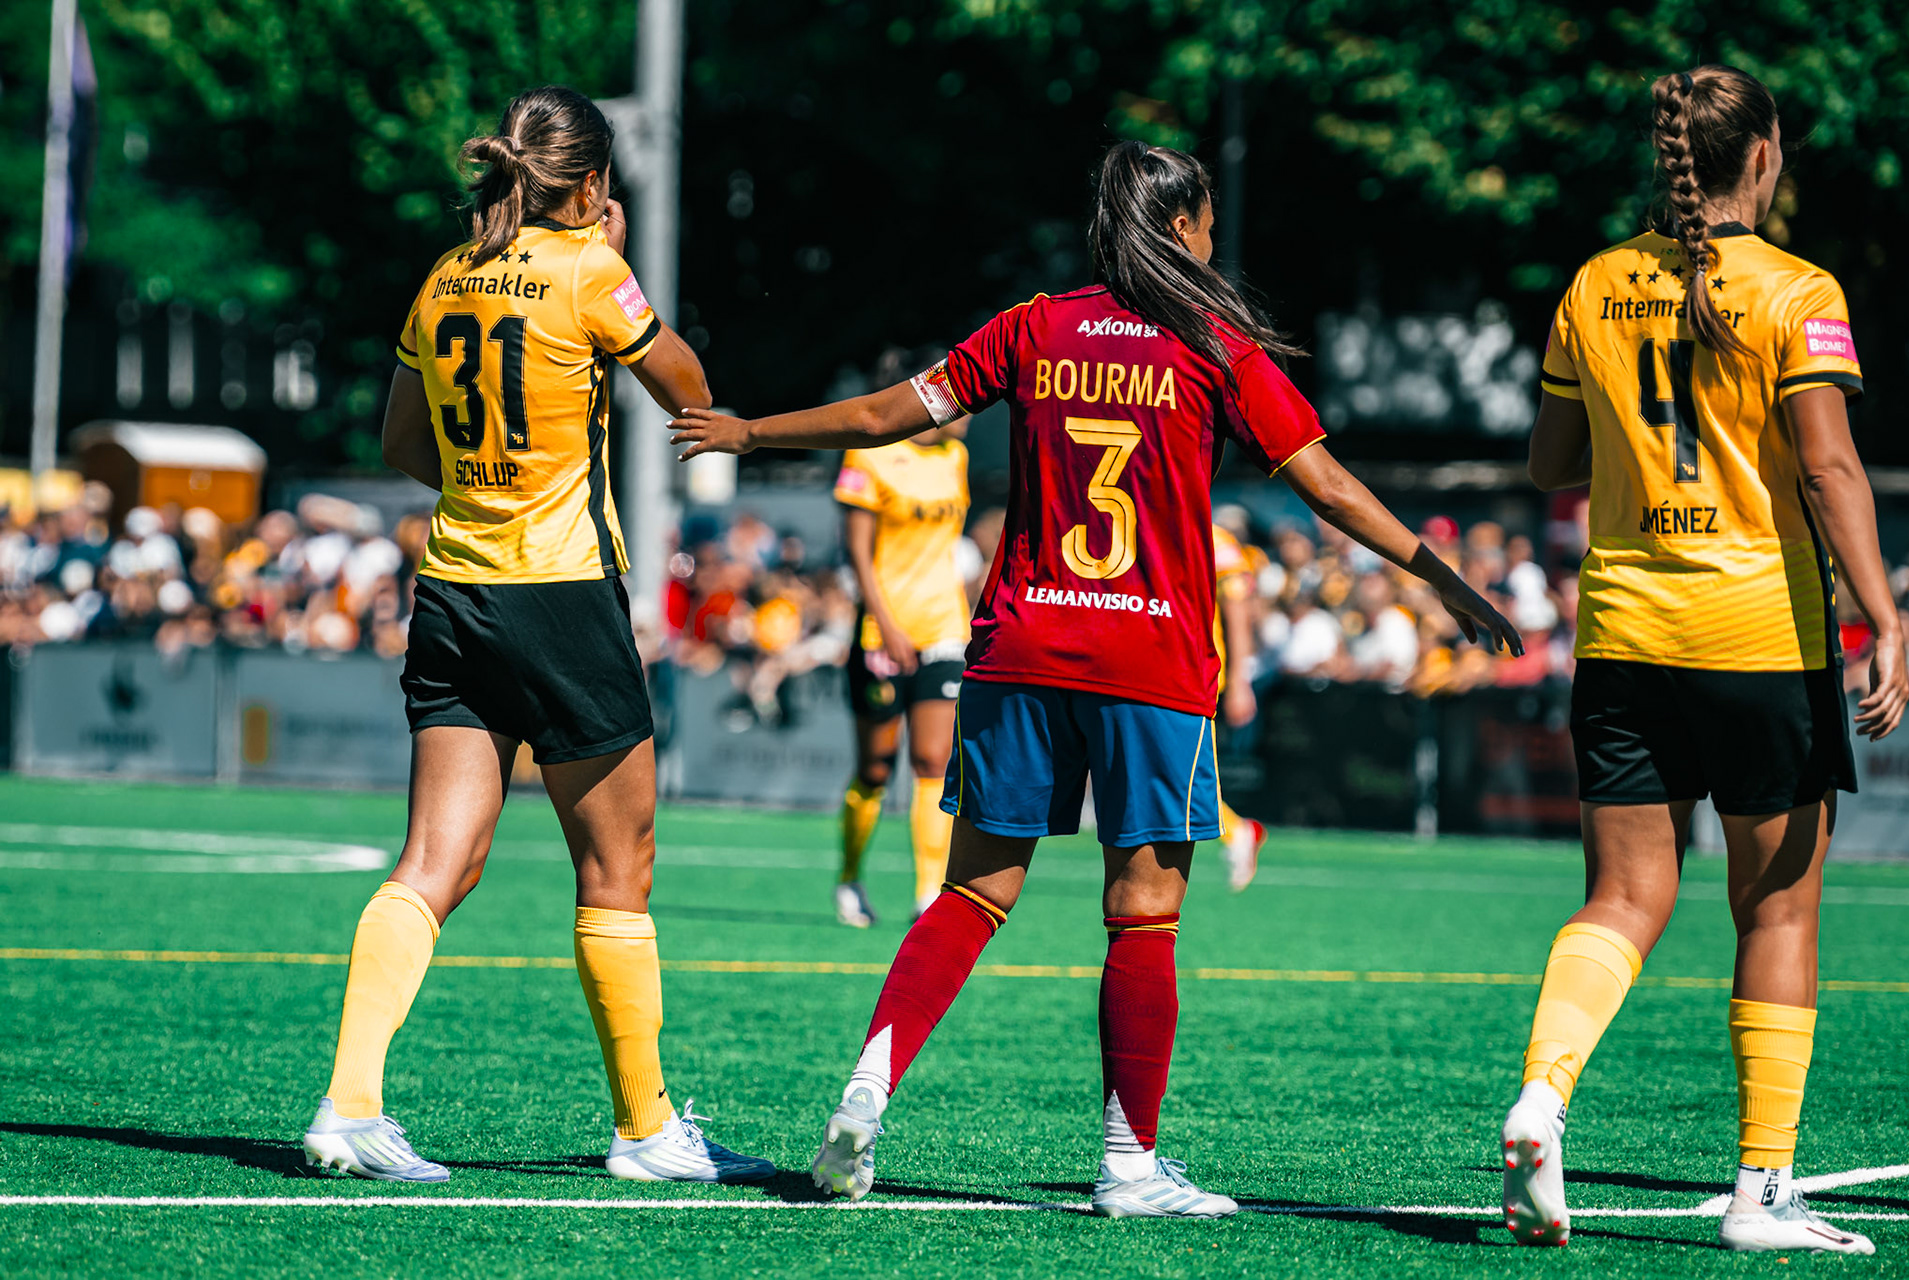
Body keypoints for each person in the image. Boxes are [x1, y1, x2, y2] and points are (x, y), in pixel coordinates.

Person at [672, 139, 1521, 1217]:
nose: (1215, 240)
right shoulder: (1213, 344)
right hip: (1151, 658)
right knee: (1143, 915)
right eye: (1206, 222)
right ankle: (1128, 1167)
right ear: (1181, 225)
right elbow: (1329, 485)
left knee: (973, 890)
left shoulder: (1035, 326)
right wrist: (1438, 573)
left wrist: (751, 429)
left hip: (1022, 646)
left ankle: (865, 1093)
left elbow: (892, 413)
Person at [299, 86, 771, 1186]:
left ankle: (349, 1102)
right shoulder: (590, 270)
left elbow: (403, 441)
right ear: (595, 184)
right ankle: (648, 1129)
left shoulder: (444, 277)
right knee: (618, 866)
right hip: (561, 594)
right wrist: (615, 268)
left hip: (456, 588)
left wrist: (491, 476)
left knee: (433, 860)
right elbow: (690, 393)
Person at [1502, 64, 1907, 1254]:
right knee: (1775, 906)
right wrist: (1887, 615)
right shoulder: (1800, 288)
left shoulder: (1595, 281)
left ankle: (1544, 1093)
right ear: (1765, 157)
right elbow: (1831, 469)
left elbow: (1547, 461)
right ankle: (1761, 1191)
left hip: (1626, 631)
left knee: (1624, 898)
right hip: (1759, 638)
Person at [832, 411, 971, 927]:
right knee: (875, 768)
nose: (971, 412)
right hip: (881, 634)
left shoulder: (956, 458)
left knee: (934, 759)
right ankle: (849, 878)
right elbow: (858, 555)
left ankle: (928, 894)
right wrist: (885, 623)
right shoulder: (868, 456)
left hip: (944, 629)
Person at [1211, 521, 1267, 891]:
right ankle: (1237, 831)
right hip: (1153, 671)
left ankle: (1238, 831)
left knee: (1183, 775)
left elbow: (1237, 613)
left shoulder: (1217, 541)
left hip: (1196, 674)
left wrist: (1240, 683)